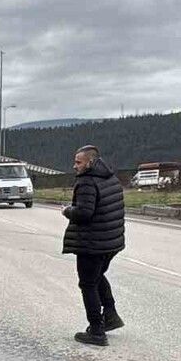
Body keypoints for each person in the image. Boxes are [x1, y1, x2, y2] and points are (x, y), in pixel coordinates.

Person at [62, 145, 125, 346]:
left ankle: (97, 331)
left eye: (78, 162)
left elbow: (84, 213)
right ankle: (111, 315)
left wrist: (67, 211)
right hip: (111, 241)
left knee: (88, 284)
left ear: (90, 162)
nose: (75, 166)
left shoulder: (87, 182)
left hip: (92, 243)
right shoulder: (110, 178)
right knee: (97, 276)